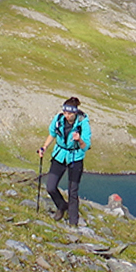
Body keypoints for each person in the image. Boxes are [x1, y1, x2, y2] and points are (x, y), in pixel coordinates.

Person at [37, 97, 91, 226]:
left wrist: (79, 140)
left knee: (73, 191)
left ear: (75, 113)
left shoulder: (83, 123)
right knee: (50, 186)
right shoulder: (59, 119)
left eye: (70, 114)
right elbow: (52, 134)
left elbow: (86, 146)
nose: (67, 116)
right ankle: (61, 206)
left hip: (75, 158)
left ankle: (73, 222)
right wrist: (44, 147)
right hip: (59, 155)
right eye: (65, 112)